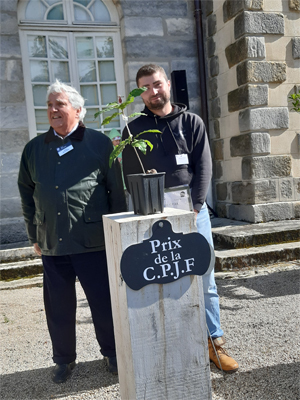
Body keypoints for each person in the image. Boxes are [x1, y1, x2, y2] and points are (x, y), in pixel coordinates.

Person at [122, 64, 239, 373]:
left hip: (192, 212)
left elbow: (204, 168)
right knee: (159, 280)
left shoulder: (192, 122)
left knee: (205, 279)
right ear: (140, 93)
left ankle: (214, 343)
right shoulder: (133, 131)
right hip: (151, 215)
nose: (152, 91)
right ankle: (172, 344)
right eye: (145, 87)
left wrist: (197, 209)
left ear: (168, 85)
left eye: (157, 84)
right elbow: (128, 174)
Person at [18, 80, 127, 383]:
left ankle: (113, 352)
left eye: (59, 104)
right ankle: (63, 359)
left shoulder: (99, 143)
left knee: (103, 302)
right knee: (58, 308)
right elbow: (26, 194)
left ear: (78, 110)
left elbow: (116, 191)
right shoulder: (34, 149)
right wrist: (34, 234)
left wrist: (116, 233)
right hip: (53, 242)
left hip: (93, 241)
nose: (52, 109)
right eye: (49, 105)